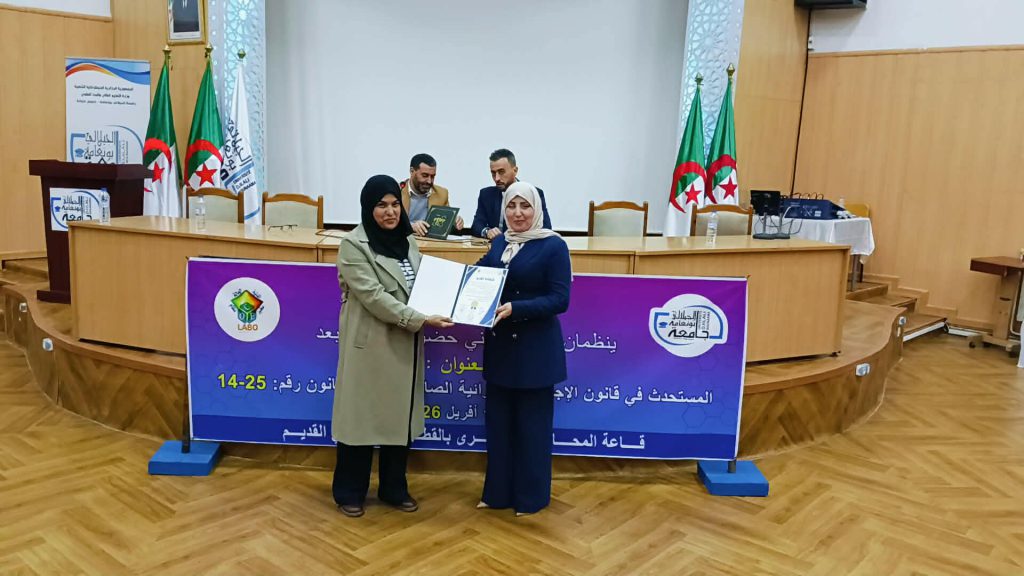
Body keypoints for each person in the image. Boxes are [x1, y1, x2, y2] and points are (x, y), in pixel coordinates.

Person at [331, 174, 454, 518]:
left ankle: (393, 488)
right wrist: (420, 319)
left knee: (398, 421)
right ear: (367, 209)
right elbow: (373, 297)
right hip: (369, 346)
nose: (390, 212)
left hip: (403, 345)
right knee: (360, 420)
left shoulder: (407, 240)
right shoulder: (353, 245)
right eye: (381, 205)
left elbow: (424, 283)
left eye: (394, 204)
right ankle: (349, 491)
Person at [474, 181, 571, 515]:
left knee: (532, 429)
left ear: (537, 209)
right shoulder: (500, 242)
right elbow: (481, 277)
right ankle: (497, 494)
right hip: (501, 349)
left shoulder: (553, 246)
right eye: (511, 206)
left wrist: (518, 308)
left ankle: (531, 498)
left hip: (535, 352)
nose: (517, 213)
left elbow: (560, 299)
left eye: (525, 206)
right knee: (499, 427)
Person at [471, 149, 552, 239]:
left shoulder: (533, 193)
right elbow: (476, 225)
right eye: (493, 173)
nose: (497, 178)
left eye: (501, 172)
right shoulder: (486, 194)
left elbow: (546, 228)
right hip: (495, 245)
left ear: (515, 170)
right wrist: (487, 232)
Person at [400, 153, 463, 236]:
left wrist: (454, 223)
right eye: (425, 175)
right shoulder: (397, 191)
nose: (429, 181)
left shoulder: (441, 193)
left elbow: (445, 227)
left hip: (429, 242)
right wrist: (411, 226)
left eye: (432, 176)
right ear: (412, 171)